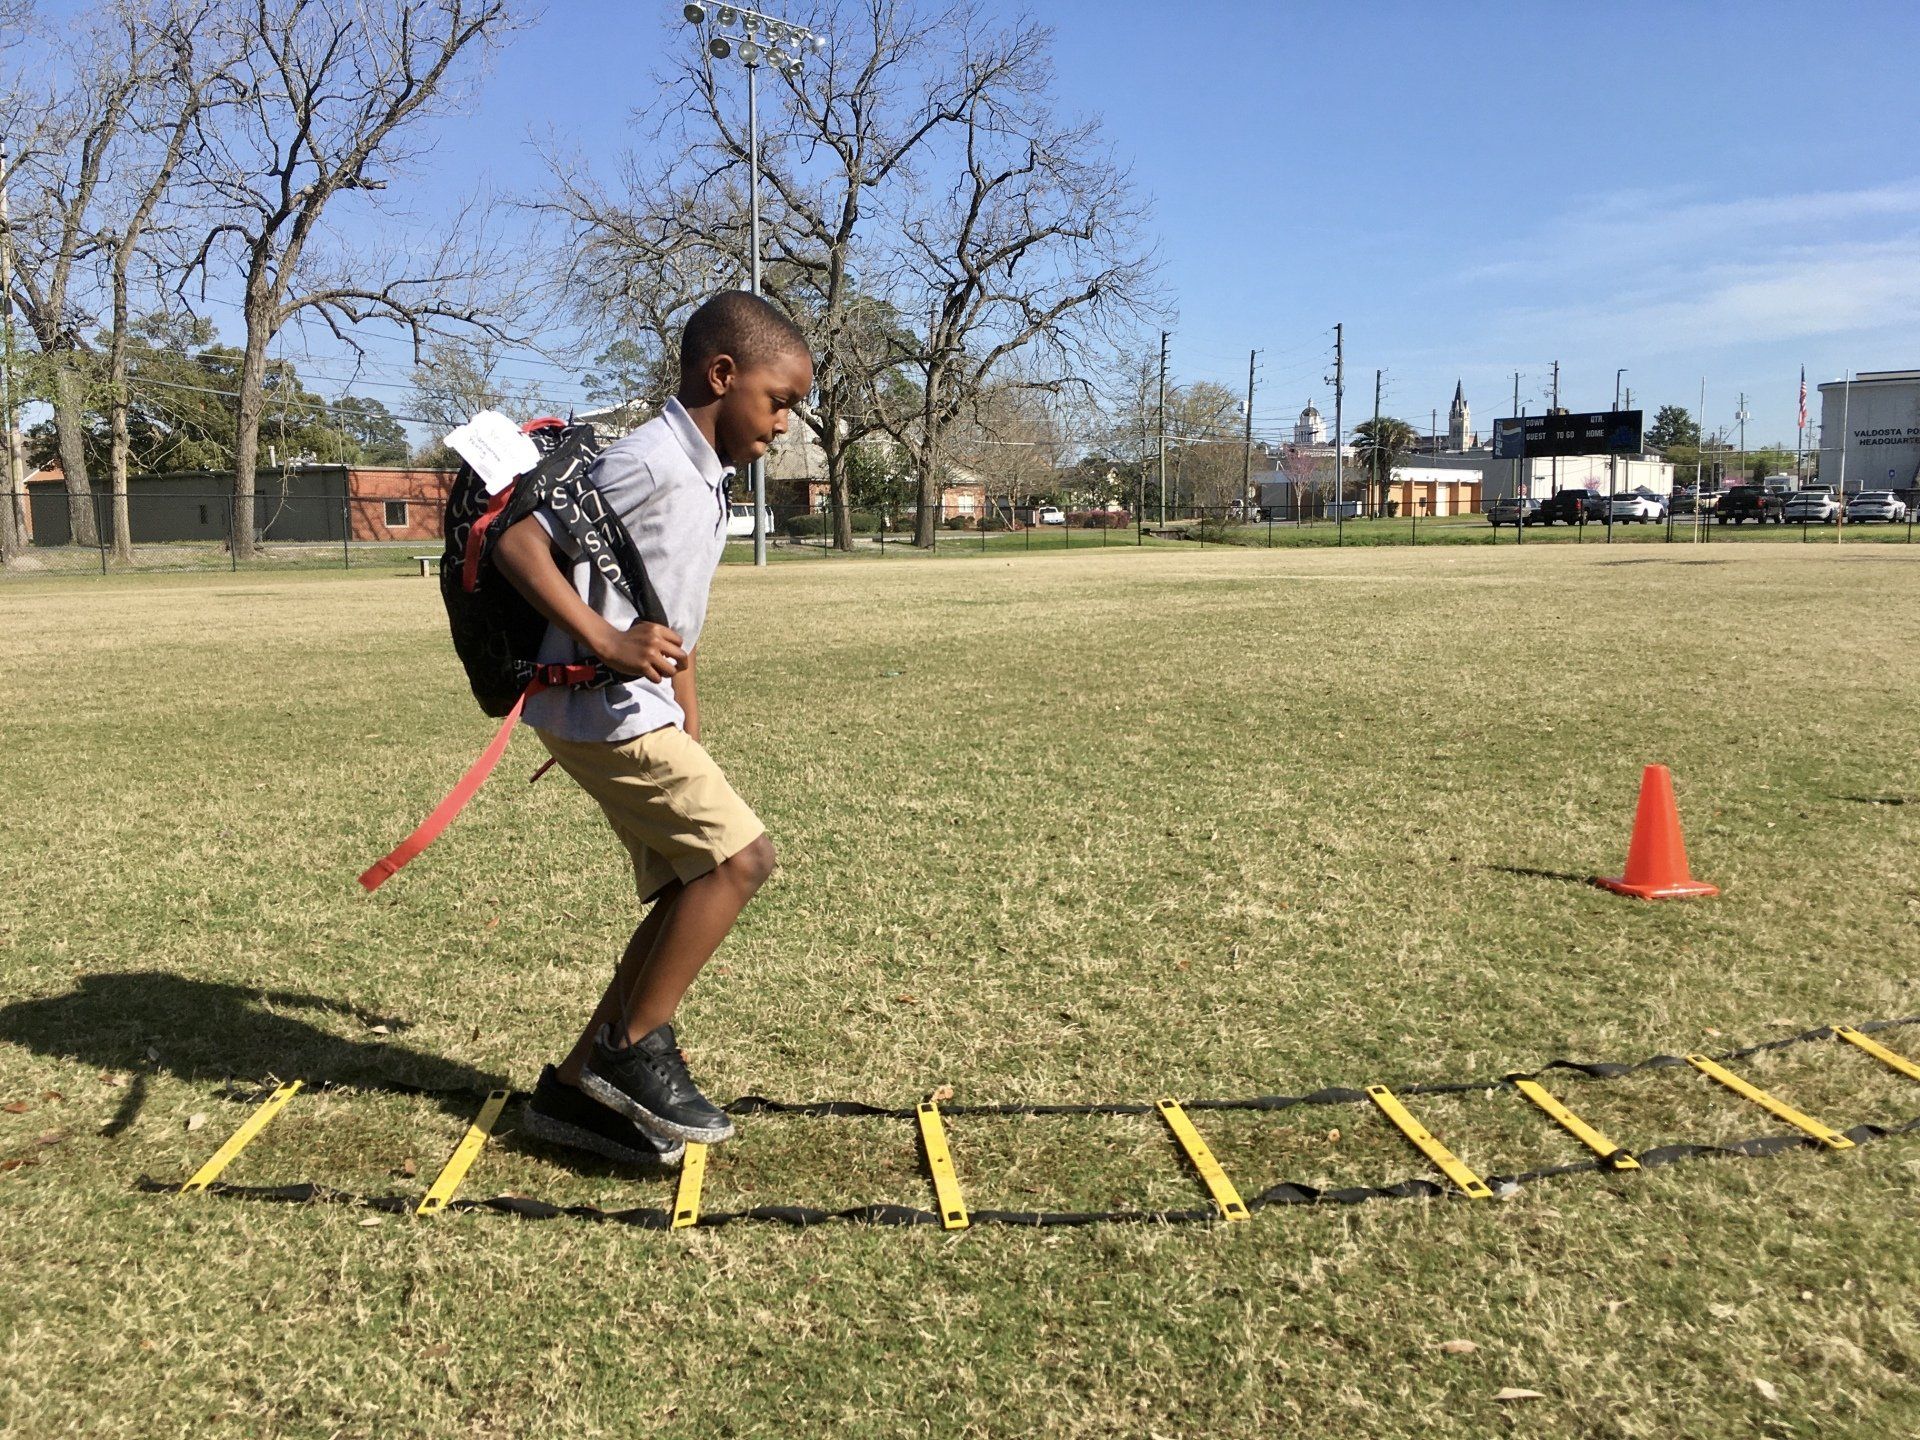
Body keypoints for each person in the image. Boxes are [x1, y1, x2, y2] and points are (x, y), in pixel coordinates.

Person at [494, 291, 813, 1165]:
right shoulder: (651, 462)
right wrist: (602, 638)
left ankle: (570, 1093)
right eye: (779, 401)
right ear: (722, 375)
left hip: (639, 715)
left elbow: (676, 628)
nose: (784, 425)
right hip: (602, 710)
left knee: (686, 886)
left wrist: (691, 729)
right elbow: (518, 543)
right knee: (743, 860)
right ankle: (630, 1051)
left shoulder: (702, 479)